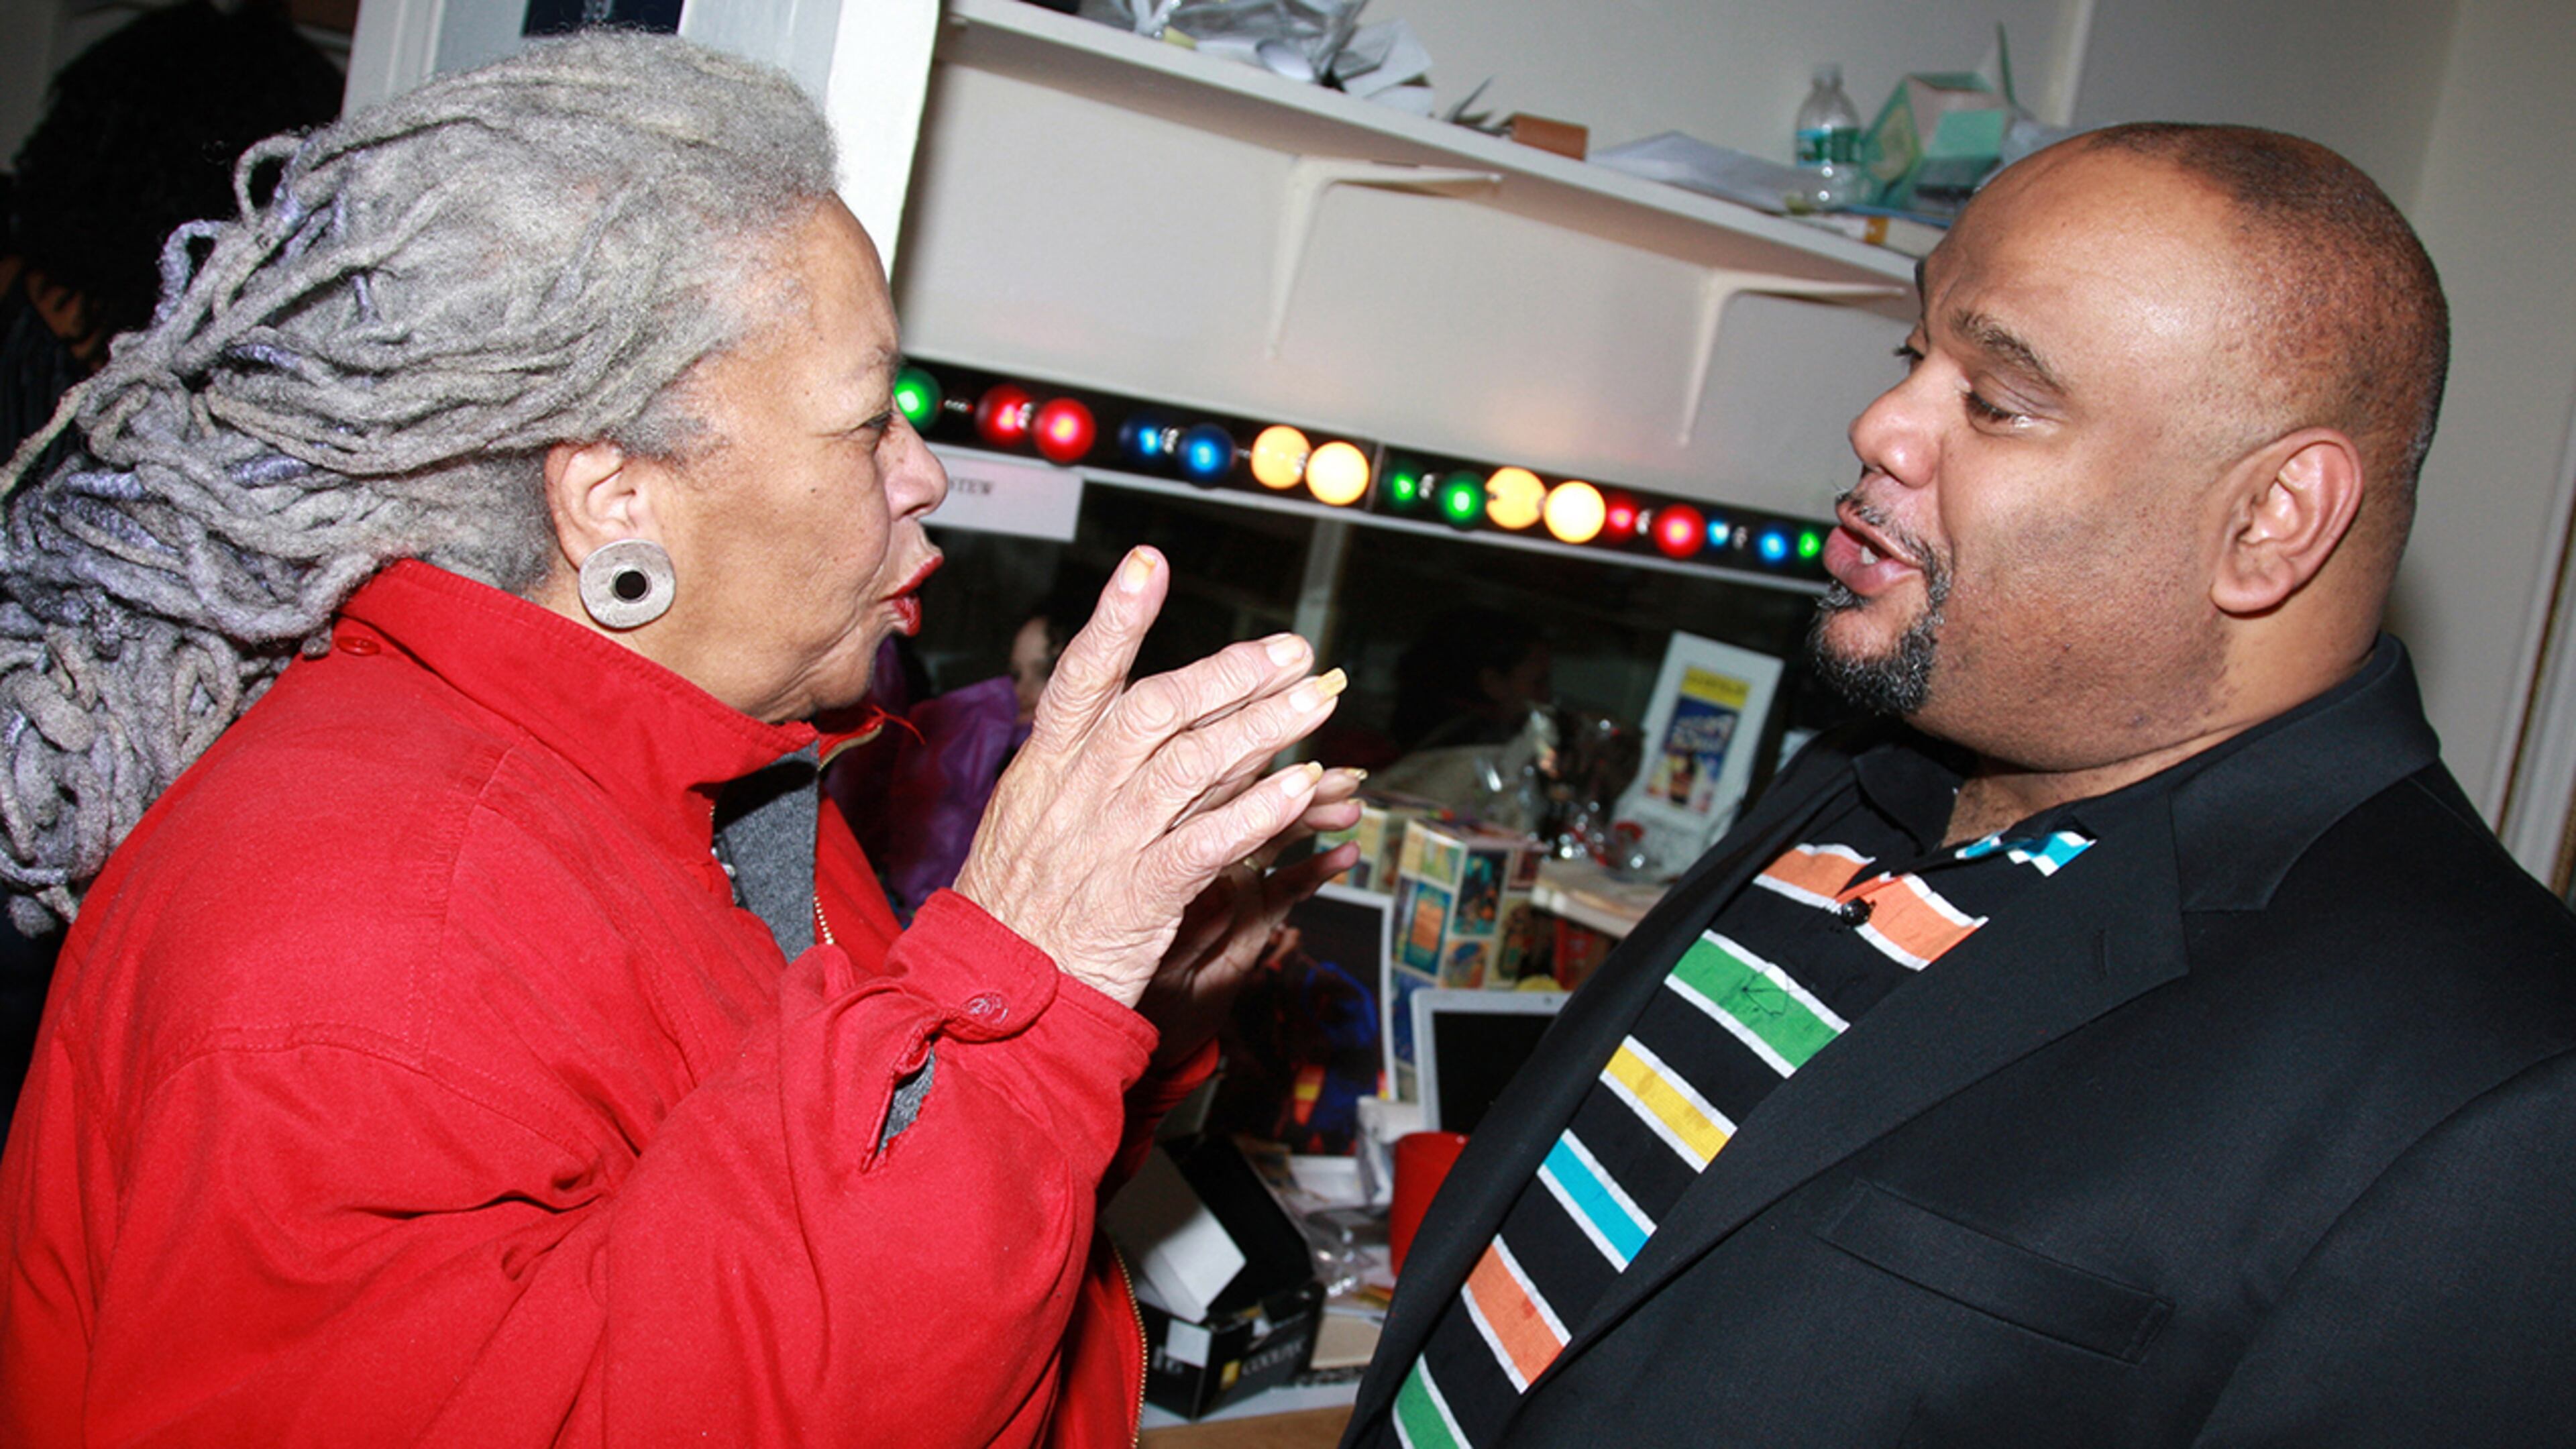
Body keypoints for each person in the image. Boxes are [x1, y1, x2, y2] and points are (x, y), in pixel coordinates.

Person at [0, 34, 1362, 1445]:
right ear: (615, 499)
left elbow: (796, 1276)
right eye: (863, 425)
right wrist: (1017, 987)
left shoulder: (721, 784)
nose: (926, 474)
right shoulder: (378, 936)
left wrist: (1104, 1043)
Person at [1344, 123, 2576, 1448]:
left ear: (2269, 521)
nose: (1884, 423)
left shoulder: (2505, 1090)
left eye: (1997, 398)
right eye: (1912, 354)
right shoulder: (1861, 774)